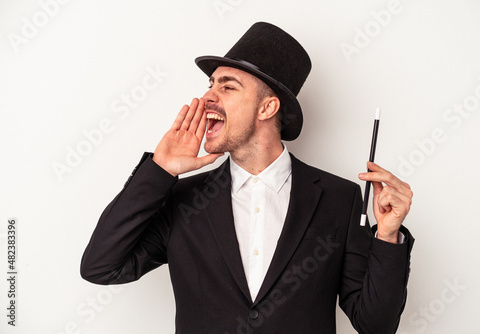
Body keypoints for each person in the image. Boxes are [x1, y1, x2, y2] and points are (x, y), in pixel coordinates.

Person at [81, 22, 414, 334]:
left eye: (227, 86)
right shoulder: (182, 199)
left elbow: (376, 325)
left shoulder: (339, 198)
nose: (208, 97)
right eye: (210, 84)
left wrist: (387, 236)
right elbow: (101, 267)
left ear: (267, 109)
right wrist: (160, 169)